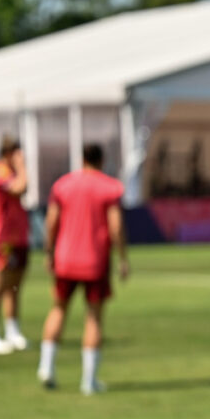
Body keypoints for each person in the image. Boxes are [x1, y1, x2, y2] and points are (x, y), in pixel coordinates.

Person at [37, 144, 128, 394]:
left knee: (58, 310)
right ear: (101, 160)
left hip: (65, 259)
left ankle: (47, 366)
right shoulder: (109, 187)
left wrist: (49, 252)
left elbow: (51, 221)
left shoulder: (63, 185)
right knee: (94, 318)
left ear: (82, 159)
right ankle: (89, 381)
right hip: (95, 261)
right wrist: (122, 257)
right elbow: (116, 226)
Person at [0, 135, 30, 355]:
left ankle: (12, 330)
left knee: (14, 287)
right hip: (2, 239)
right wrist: (22, 167)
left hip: (18, 236)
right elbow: (21, 188)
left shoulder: (11, 171)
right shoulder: (0, 172)